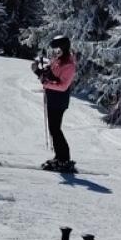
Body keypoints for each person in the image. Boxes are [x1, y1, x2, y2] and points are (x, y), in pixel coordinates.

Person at [33, 34, 77, 174]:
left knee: (55, 129)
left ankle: (64, 159)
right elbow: (51, 73)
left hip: (59, 100)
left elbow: (63, 86)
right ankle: (60, 157)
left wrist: (46, 82)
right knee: (54, 129)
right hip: (52, 98)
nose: (56, 51)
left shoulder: (69, 64)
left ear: (63, 47)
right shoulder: (59, 59)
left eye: (58, 48)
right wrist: (39, 71)